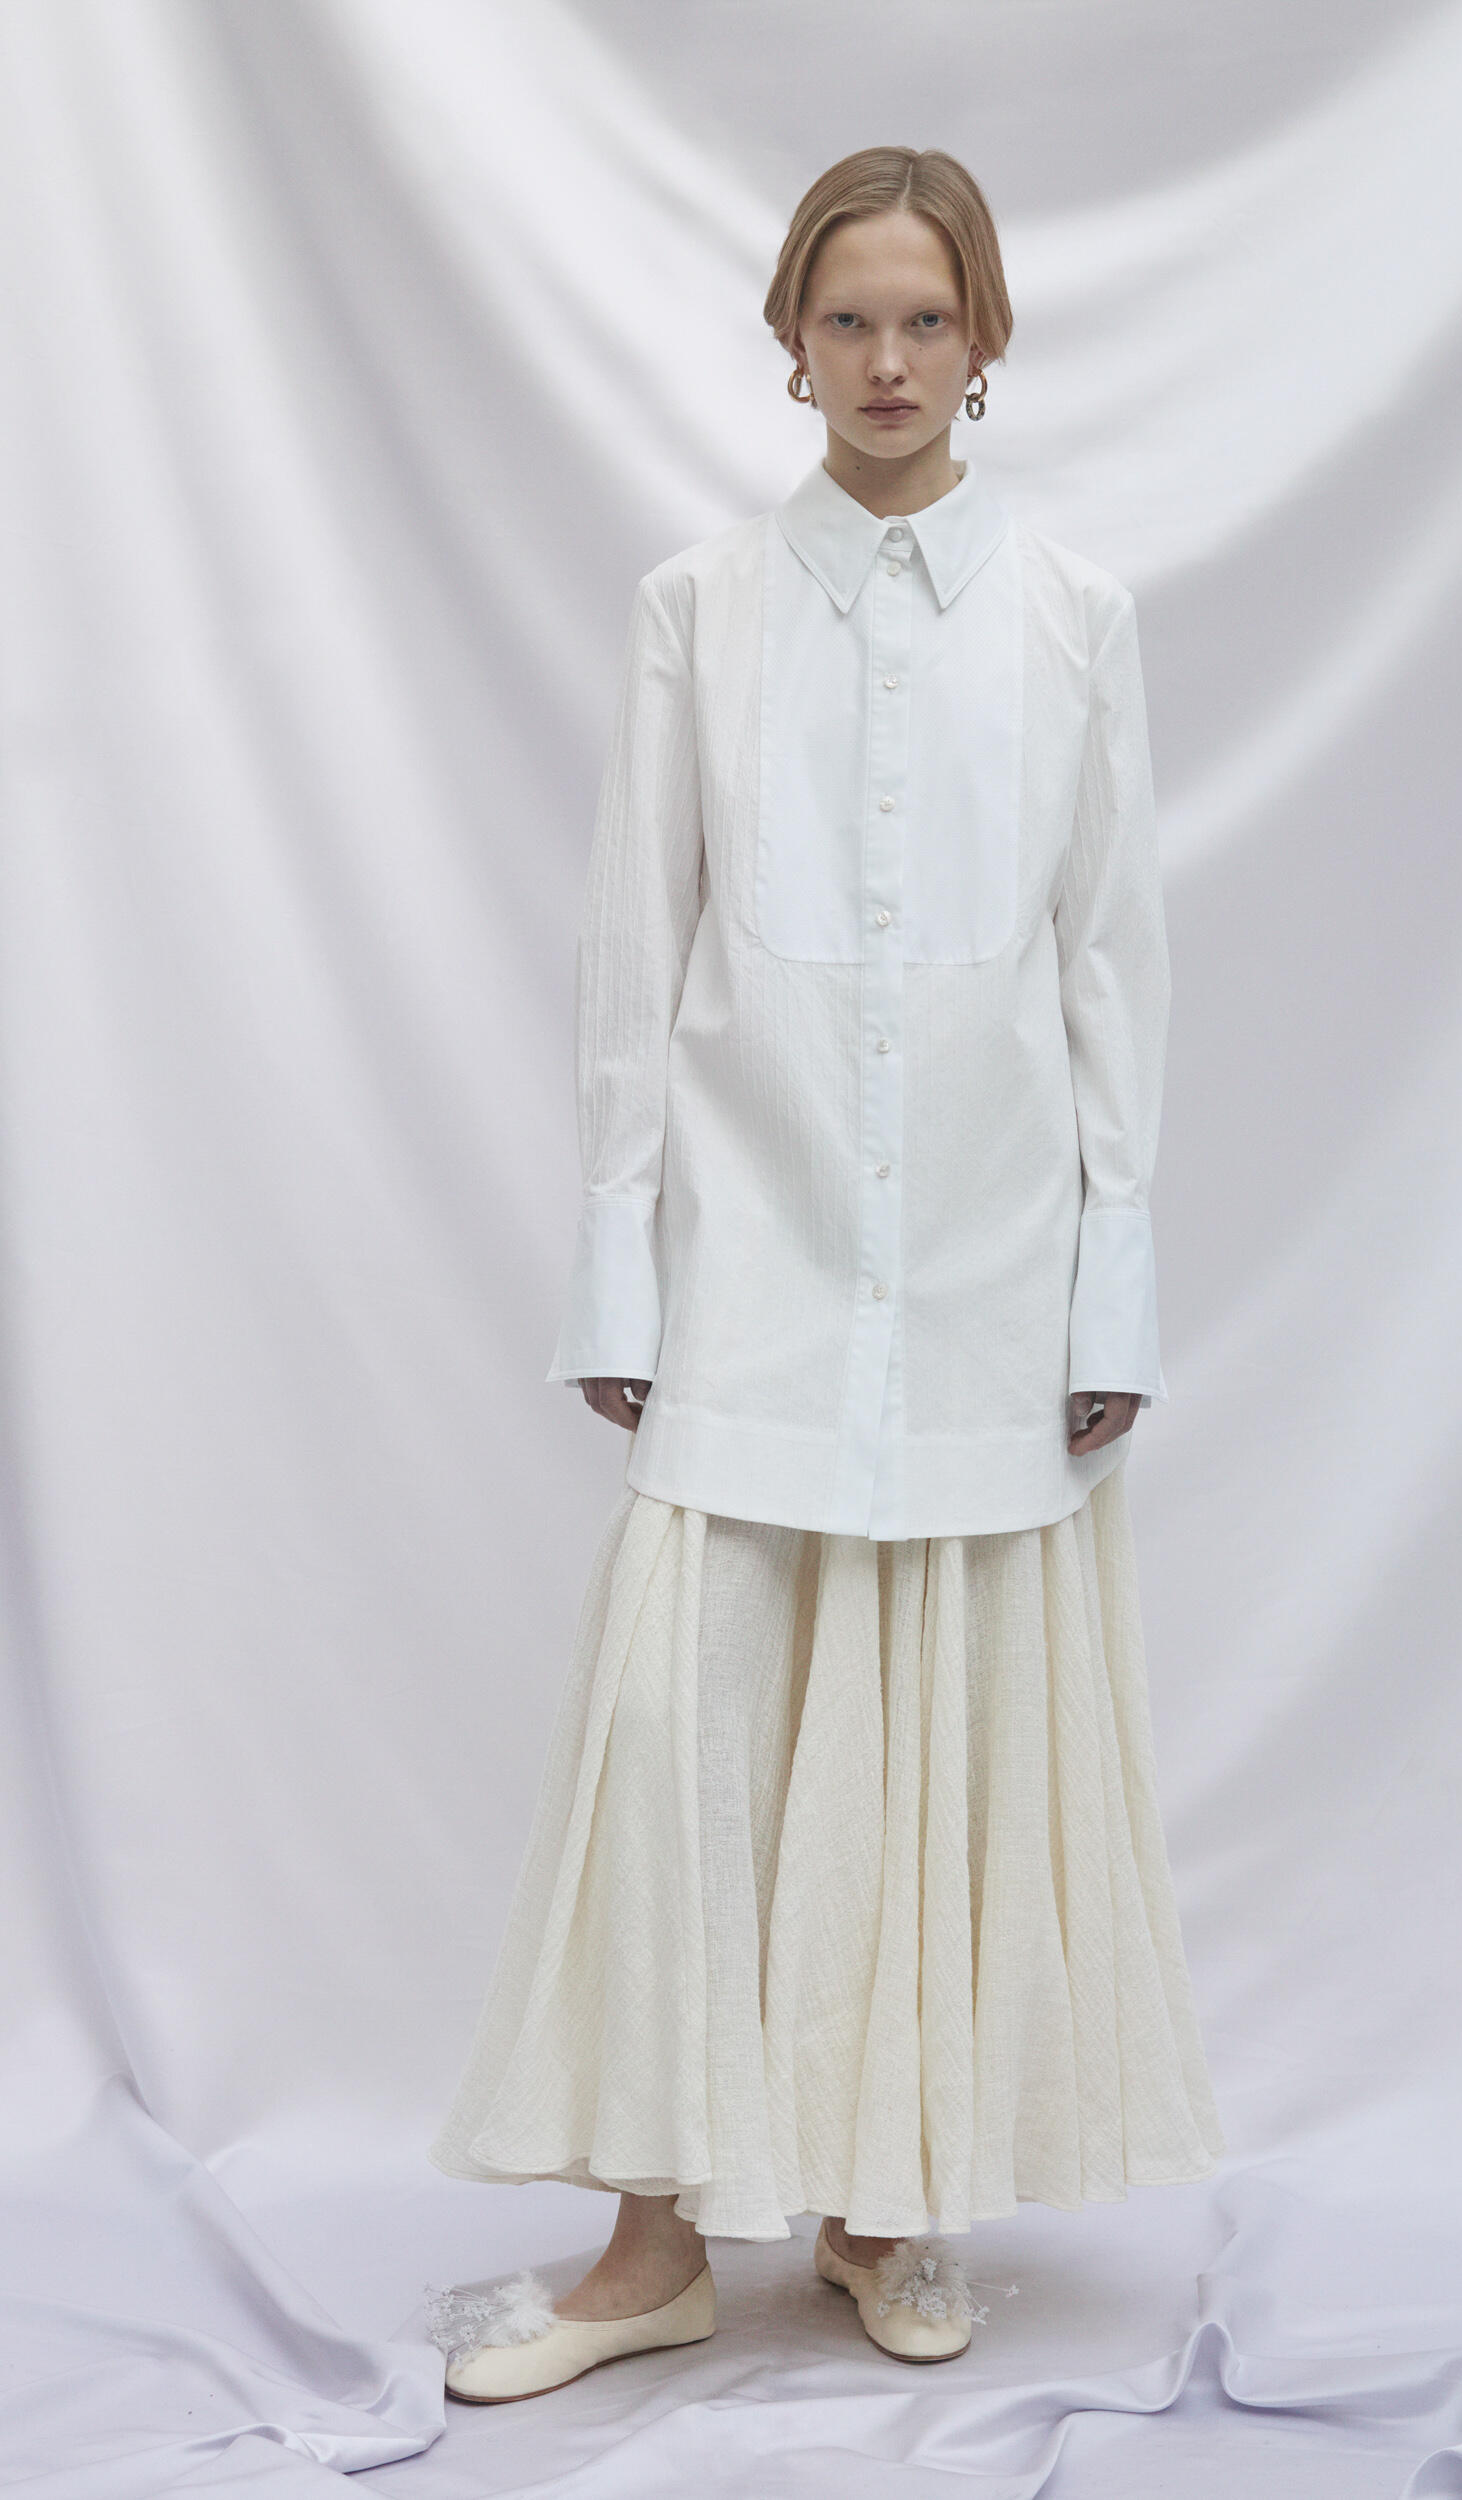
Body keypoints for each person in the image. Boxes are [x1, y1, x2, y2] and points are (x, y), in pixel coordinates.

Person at [425, 144, 1223, 2401]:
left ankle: (884, 2203)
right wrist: (618, 1263)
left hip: (987, 1270)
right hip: (756, 1260)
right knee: (682, 1738)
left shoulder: (1071, 611)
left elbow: (1112, 964)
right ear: (791, 339)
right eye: (847, 319)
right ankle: (653, 2243)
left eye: (925, 320)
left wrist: (1114, 1288)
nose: (887, 362)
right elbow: (633, 944)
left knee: (932, 1744)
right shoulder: (700, 605)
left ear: (986, 340)